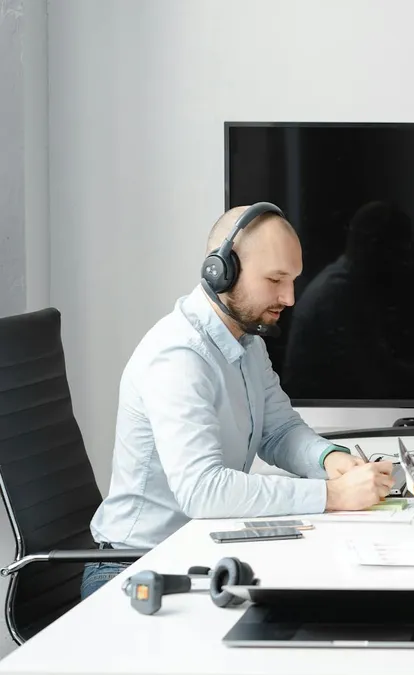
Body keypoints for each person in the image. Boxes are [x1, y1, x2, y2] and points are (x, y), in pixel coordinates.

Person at [84, 204, 395, 599]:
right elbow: (203, 490)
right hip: (135, 569)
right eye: (275, 279)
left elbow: (279, 430)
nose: (290, 297)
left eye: (293, 280)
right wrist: (333, 496)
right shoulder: (179, 357)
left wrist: (330, 461)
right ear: (222, 270)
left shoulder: (246, 341)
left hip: (196, 554)